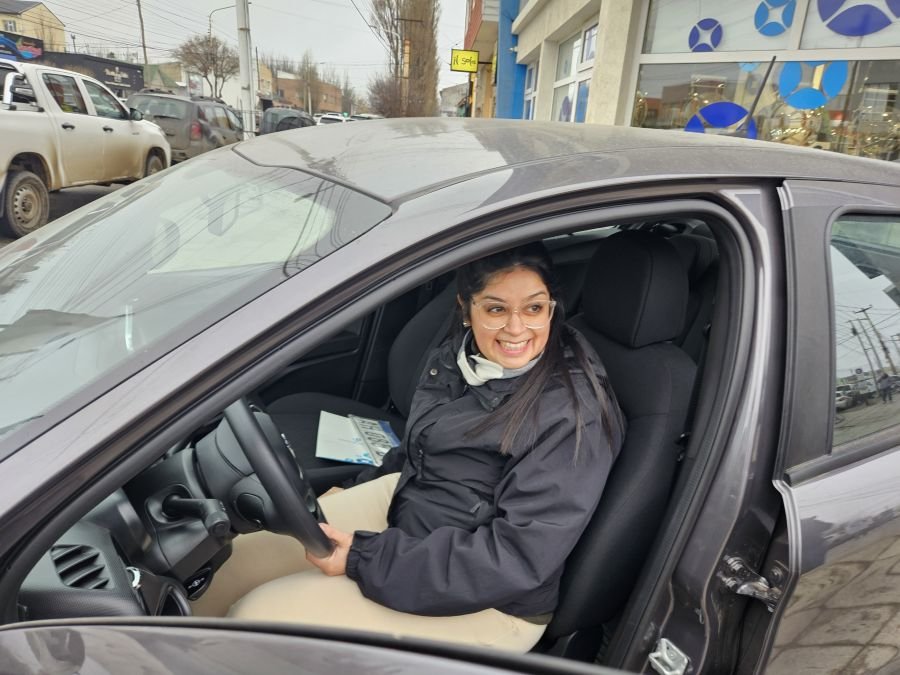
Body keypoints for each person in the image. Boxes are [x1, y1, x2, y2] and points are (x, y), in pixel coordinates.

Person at [193, 243, 626, 652]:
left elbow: (516, 558)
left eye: (534, 308)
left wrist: (365, 558)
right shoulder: (460, 356)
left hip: (493, 599)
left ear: (552, 306)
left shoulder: (571, 415)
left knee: (259, 619)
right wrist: (360, 485)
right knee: (226, 566)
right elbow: (422, 444)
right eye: (496, 309)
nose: (517, 328)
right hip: (412, 505)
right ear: (466, 310)